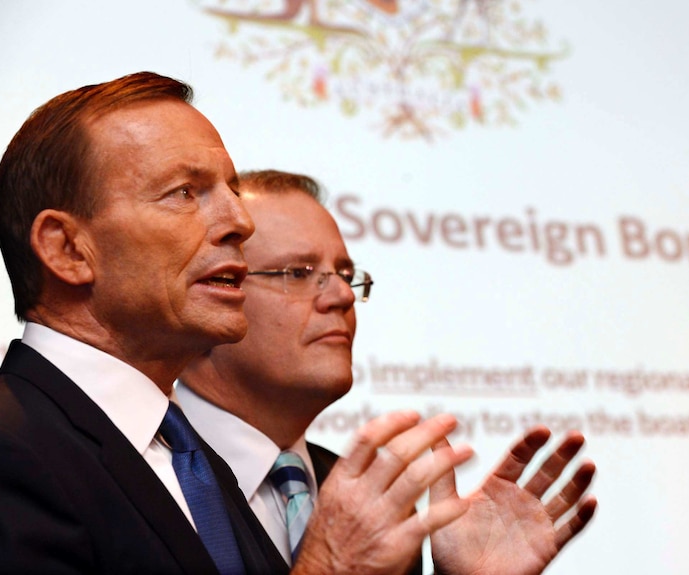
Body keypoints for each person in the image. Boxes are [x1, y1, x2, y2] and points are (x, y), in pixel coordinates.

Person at [0, 73, 474, 574]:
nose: (239, 222)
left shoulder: (193, 458)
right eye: (185, 192)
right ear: (67, 249)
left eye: (229, 190)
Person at [178, 169, 598, 574]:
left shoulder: (375, 505)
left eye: (344, 274)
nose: (342, 295)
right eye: (299, 273)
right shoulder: (142, 472)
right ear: (213, 291)